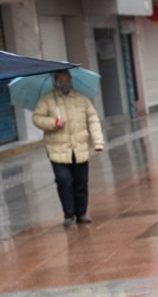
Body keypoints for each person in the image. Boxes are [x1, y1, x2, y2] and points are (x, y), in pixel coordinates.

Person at [32, 70, 104, 227]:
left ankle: (81, 213)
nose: (64, 83)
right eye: (61, 80)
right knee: (64, 181)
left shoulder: (82, 99)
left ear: (71, 80)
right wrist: (53, 122)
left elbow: (93, 120)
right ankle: (68, 214)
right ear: (56, 82)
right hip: (57, 149)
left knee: (81, 183)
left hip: (79, 148)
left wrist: (98, 142)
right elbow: (36, 118)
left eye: (67, 79)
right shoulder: (48, 100)